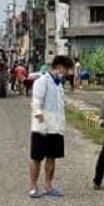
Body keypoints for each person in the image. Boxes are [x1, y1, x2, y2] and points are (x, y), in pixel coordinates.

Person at [28, 56, 69, 198]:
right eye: (64, 69)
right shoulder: (42, 81)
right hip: (41, 128)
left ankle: (48, 185)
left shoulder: (59, 86)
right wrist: (40, 116)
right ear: (58, 67)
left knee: (52, 158)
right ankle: (33, 187)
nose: (65, 73)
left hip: (55, 127)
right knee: (37, 157)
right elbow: (36, 102)